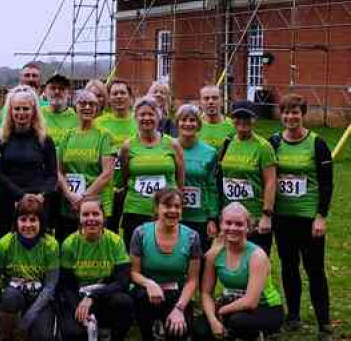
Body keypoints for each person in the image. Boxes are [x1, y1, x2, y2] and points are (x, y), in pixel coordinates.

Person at [270, 94, 333, 341]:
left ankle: (324, 323)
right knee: (288, 267)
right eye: (286, 112)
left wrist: (321, 216)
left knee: (314, 269)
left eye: (295, 112)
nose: (290, 117)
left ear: (302, 114)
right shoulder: (274, 142)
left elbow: (327, 184)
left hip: (309, 219)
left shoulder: (317, 144)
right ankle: (293, 315)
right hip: (283, 218)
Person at [196, 203, 283, 341]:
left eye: (239, 224)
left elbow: (250, 302)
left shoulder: (257, 255)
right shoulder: (214, 254)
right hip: (233, 304)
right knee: (200, 329)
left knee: (238, 321)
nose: (232, 228)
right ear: (221, 224)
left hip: (265, 307)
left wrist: (221, 311)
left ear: (248, 227)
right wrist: (213, 320)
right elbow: (206, 293)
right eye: (228, 223)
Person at [56, 196, 133, 341]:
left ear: (103, 217)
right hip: (78, 297)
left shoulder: (115, 242)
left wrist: (93, 297)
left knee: (124, 302)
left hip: (105, 295)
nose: (91, 219)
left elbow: (123, 282)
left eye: (95, 214)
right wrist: (78, 306)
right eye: (86, 215)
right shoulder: (69, 244)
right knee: (73, 337)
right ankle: (87, 334)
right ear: (79, 218)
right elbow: (66, 285)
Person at [0, 195, 61, 341]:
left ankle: (26, 332)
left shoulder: (51, 245)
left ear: (41, 222)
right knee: (10, 296)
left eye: (33, 220)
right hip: (12, 295)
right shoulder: (4, 244)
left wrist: (28, 318)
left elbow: (50, 286)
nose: (28, 225)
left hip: (39, 296)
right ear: (16, 221)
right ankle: (6, 338)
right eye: (23, 219)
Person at [129, 189, 202, 341]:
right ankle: (148, 338)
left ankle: (171, 340)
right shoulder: (140, 233)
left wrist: (179, 308)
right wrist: (149, 283)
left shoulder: (192, 237)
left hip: (176, 293)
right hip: (147, 293)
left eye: (177, 206)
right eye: (167, 206)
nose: (173, 211)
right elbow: (134, 273)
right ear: (156, 208)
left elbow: (192, 280)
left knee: (182, 332)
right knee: (139, 297)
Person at [117, 95, 184, 249]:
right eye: (142, 115)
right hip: (135, 209)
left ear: (158, 117)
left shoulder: (172, 144)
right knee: (135, 253)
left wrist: (177, 203)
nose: (146, 118)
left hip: (166, 210)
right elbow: (125, 177)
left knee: (164, 250)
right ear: (136, 118)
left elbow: (180, 180)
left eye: (151, 114)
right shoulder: (128, 146)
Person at [0, 89, 57, 242]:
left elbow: (52, 174)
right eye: (17, 108)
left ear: (34, 111)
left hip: (38, 203)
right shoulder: (1, 139)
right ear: (10, 111)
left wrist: (40, 196)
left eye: (26, 108)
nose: (21, 113)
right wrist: (21, 196)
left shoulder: (45, 139)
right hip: (9, 201)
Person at [56, 90, 115, 243]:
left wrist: (83, 198)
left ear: (97, 108)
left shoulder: (104, 135)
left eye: (92, 104)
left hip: (95, 204)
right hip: (69, 204)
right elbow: (58, 170)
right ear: (75, 106)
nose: (87, 107)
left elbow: (107, 173)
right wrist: (70, 196)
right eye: (83, 103)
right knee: (68, 247)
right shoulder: (67, 136)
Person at [219, 100, 276, 254]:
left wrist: (266, 215)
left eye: (247, 117)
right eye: (238, 117)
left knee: (256, 262)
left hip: (254, 217)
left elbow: (270, 182)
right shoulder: (228, 142)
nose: (242, 121)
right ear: (232, 120)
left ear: (254, 120)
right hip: (230, 218)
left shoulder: (263, 147)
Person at [176, 104, 219, 251]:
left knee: (199, 261)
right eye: (183, 120)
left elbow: (212, 186)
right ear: (177, 123)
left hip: (200, 218)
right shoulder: (167, 147)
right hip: (174, 215)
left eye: (192, 120)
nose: (188, 123)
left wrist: (212, 218)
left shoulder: (210, 152)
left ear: (199, 125)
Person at [95, 80, 137, 233]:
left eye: (122, 93)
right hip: (105, 190)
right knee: (106, 231)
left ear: (130, 98)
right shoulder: (98, 123)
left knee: (131, 234)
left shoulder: (139, 121)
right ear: (109, 98)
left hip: (131, 189)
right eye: (114, 93)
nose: (119, 97)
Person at [198, 85, 235, 153]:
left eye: (215, 98)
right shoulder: (194, 126)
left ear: (222, 102)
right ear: (200, 103)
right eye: (206, 98)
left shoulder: (233, 126)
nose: (210, 102)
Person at [41, 74, 77, 145]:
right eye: (53, 88)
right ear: (45, 92)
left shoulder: (77, 119)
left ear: (69, 93)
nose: (57, 91)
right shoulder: (37, 115)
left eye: (62, 88)